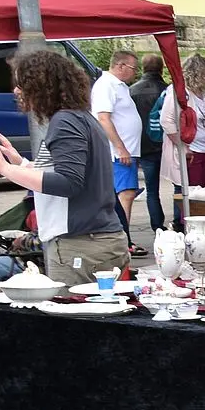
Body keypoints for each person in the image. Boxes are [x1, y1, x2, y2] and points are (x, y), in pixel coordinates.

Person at [0, 50, 127, 280]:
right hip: (93, 241)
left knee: (72, 304)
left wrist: (6, 170)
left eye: (22, 84)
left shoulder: (66, 121)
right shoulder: (79, 118)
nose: (16, 91)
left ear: (41, 86)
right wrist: (21, 164)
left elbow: (68, 182)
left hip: (80, 244)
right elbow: (68, 171)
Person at [89, 49, 142, 259]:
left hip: (126, 150)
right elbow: (103, 118)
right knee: (125, 194)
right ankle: (123, 240)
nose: (135, 72)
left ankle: (123, 238)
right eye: (133, 68)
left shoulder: (119, 86)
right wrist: (120, 147)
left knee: (126, 193)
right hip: (119, 153)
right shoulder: (107, 85)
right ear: (120, 65)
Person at [162, 54, 205, 206]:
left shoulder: (204, 93)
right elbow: (166, 121)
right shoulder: (179, 93)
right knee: (193, 195)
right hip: (191, 151)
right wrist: (182, 146)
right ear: (196, 73)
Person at [129, 53, 166, 234]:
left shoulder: (132, 91)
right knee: (178, 185)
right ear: (161, 69)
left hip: (143, 145)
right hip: (166, 143)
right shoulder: (167, 90)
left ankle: (157, 225)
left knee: (152, 190)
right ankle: (179, 220)